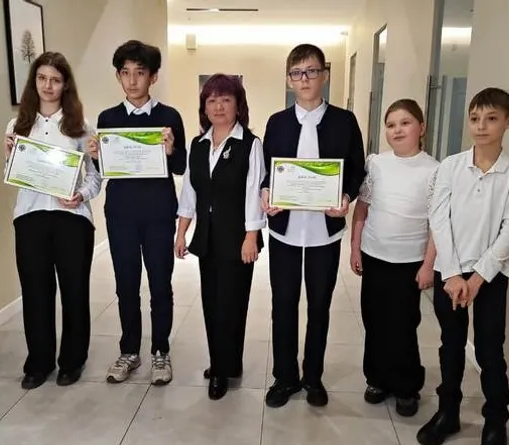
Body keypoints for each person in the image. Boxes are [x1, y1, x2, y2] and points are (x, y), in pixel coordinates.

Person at [417, 87, 509, 445]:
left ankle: (495, 420)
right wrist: (452, 273)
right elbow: (439, 219)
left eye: (491, 118)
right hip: (450, 271)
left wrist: (478, 278)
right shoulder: (450, 166)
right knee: (450, 344)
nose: (481, 126)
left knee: (489, 349)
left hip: (491, 276)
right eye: (475, 118)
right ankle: (447, 413)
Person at [260, 43, 366, 408]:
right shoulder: (277, 123)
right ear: (289, 80)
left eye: (311, 71)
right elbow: (267, 172)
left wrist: (347, 197)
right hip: (284, 230)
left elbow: (356, 169)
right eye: (296, 73)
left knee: (320, 305)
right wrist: (266, 193)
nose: (304, 79)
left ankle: (313, 377)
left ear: (324, 75)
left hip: (325, 231)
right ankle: (284, 377)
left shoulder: (344, 121)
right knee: (283, 303)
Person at [86, 40, 186, 386]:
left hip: (159, 213)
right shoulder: (108, 119)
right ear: (118, 76)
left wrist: (171, 151)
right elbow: (104, 171)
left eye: (140, 73)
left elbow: (182, 166)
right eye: (125, 72)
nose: (132, 80)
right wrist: (96, 156)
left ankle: (161, 350)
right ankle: (129, 350)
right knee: (125, 285)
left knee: (160, 285)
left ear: (153, 77)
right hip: (121, 214)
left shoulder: (169, 117)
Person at [3, 52, 101, 390]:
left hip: (72, 219)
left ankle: (72, 361)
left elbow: (95, 178)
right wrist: (9, 156)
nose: (48, 86)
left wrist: (80, 196)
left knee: (75, 292)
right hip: (30, 218)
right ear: (34, 82)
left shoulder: (81, 126)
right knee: (35, 293)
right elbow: (12, 177)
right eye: (42, 78)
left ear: (65, 85)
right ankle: (38, 363)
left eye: (55, 80)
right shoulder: (17, 126)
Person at [174, 74, 265, 400]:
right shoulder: (198, 145)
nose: (218, 106)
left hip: (238, 239)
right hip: (207, 238)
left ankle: (224, 368)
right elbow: (189, 193)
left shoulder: (250, 144)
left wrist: (251, 236)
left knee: (232, 304)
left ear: (238, 105)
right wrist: (181, 233)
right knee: (212, 302)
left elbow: (254, 192)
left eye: (226, 99)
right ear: (204, 107)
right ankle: (222, 362)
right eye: (211, 100)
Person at [349, 99, 438, 417]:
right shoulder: (377, 163)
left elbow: (437, 224)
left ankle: (405, 386)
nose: (397, 130)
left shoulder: (434, 170)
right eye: (390, 125)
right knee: (374, 320)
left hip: (409, 261)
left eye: (405, 123)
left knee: (402, 324)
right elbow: (362, 208)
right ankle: (377, 379)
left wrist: (428, 265)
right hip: (374, 255)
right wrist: (355, 247)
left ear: (421, 128)